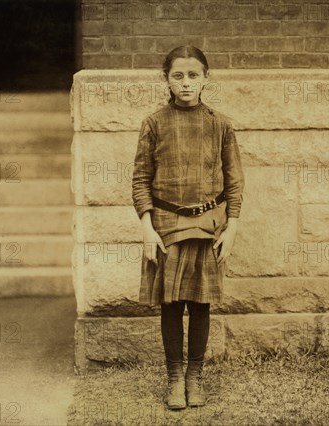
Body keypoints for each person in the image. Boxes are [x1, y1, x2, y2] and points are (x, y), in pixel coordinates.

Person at [132, 45, 244, 410]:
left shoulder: (221, 124)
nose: (185, 83)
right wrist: (147, 227)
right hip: (165, 226)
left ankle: (195, 377)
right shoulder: (154, 123)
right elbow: (141, 179)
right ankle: (174, 378)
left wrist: (231, 227)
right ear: (166, 79)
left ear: (206, 79)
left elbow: (234, 182)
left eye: (193, 75)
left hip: (208, 226)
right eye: (177, 75)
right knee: (170, 304)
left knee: (200, 304)